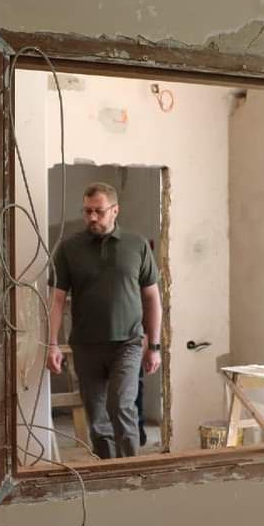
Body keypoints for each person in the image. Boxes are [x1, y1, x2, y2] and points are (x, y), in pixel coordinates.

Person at [46, 182, 162, 459]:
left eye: (99, 211)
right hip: (86, 345)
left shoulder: (136, 245)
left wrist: (154, 346)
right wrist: (52, 344)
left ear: (115, 210)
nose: (92, 217)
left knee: (121, 406)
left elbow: (152, 298)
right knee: (97, 417)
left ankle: (130, 470)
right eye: (87, 211)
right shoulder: (69, 248)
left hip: (128, 343)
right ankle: (106, 471)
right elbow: (57, 300)